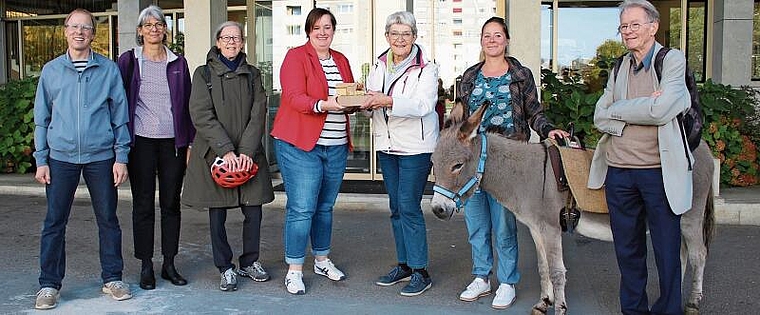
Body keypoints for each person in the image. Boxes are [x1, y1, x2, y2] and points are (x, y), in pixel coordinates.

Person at [455, 17, 569, 309]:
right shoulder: (468, 76)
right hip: (473, 161)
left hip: (511, 166)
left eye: (497, 35)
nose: (492, 40)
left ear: (506, 40)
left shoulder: (520, 74)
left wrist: (548, 130)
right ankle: (481, 277)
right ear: (481, 41)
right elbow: (461, 119)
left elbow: (534, 113)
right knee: (476, 223)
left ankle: (507, 281)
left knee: (504, 226)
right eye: (486, 36)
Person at [588, 1, 692, 314]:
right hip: (619, 173)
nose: (628, 31)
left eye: (635, 24)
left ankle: (668, 309)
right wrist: (643, 106)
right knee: (628, 251)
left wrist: (620, 109)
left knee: (666, 250)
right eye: (623, 26)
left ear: (652, 27)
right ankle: (633, 310)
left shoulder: (671, 60)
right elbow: (599, 117)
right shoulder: (619, 67)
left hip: (658, 172)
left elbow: (662, 112)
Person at [32, 8, 132, 310]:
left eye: (86, 28)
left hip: (101, 157)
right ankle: (49, 284)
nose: (80, 33)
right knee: (54, 222)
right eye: (74, 27)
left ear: (93, 33)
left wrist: (121, 156)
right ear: (65, 30)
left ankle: (113, 278)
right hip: (60, 157)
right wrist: (41, 159)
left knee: (108, 220)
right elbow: (41, 118)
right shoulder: (51, 71)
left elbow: (120, 117)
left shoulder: (108, 70)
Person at [182, 21, 275, 292]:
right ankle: (225, 267)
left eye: (237, 37)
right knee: (217, 214)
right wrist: (226, 151)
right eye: (227, 38)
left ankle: (249, 261)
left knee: (253, 211)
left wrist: (245, 152)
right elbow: (201, 114)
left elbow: (259, 114)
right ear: (218, 41)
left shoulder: (254, 74)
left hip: (248, 156)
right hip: (215, 154)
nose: (232, 42)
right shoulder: (203, 74)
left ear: (243, 42)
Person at [271, 7, 354, 295]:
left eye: (328, 27)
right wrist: (323, 105)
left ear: (333, 31)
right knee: (302, 208)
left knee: (325, 207)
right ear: (308, 30)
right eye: (317, 27)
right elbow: (294, 97)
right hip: (300, 145)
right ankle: (294, 269)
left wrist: (357, 101)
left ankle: (321, 259)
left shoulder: (341, 59)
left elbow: (346, 95)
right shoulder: (296, 56)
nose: (323, 32)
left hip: (335, 145)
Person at [361, 11, 439, 297]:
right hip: (387, 144)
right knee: (396, 207)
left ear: (415, 37)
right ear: (387, 37)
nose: (400, 39)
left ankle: (421, 270)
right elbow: (372, 100)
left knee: (408, 205)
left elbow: (423, 105)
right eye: (395, 34)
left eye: (406, 34)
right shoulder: (379, 64)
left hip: (415, 147)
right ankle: (404, 264)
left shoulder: (427, 68)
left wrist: (388, 100)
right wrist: (366, 105)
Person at [117, 5, 194, 291]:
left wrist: (189, 142)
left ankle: (169, 264)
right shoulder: (129, 61)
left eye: (158, 24)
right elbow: (118, 101)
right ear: (140, 31)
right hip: (141, 142)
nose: (153, 29)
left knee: (171, 204)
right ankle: (146, 265)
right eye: (148, 25)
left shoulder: (178, 63)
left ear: (165, 30)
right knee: (143, 204)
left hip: (172, 143)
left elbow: (188, 105)